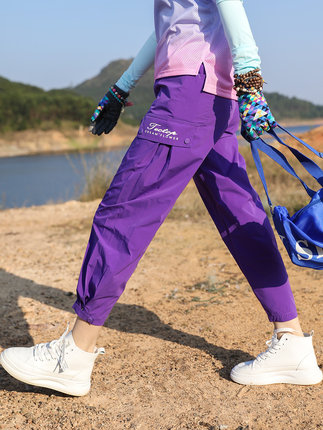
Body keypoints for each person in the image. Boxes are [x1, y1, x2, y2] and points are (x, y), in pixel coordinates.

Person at [1, 0, 322, 396]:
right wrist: (123, 85)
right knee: (240, 217)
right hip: (216, 98)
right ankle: (290, 341)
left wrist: (251, 75)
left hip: (189, 94)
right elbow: (170, 24)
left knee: (123, 213)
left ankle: (73, 355)